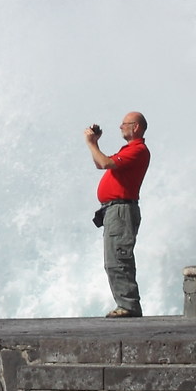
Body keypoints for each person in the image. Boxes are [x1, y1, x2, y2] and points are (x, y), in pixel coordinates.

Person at [84, 111, 151, 318]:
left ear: (136, 127)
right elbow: (100, 163)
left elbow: (105, 163)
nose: (121, 127)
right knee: (114, 258)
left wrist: (91, 143)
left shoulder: (138, 150)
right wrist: (94, 143)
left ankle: (129, 305)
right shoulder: (129, 150)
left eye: (124, 124)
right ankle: (126, 304)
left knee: (118, 258)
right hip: (115, 210)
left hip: (121, 210)